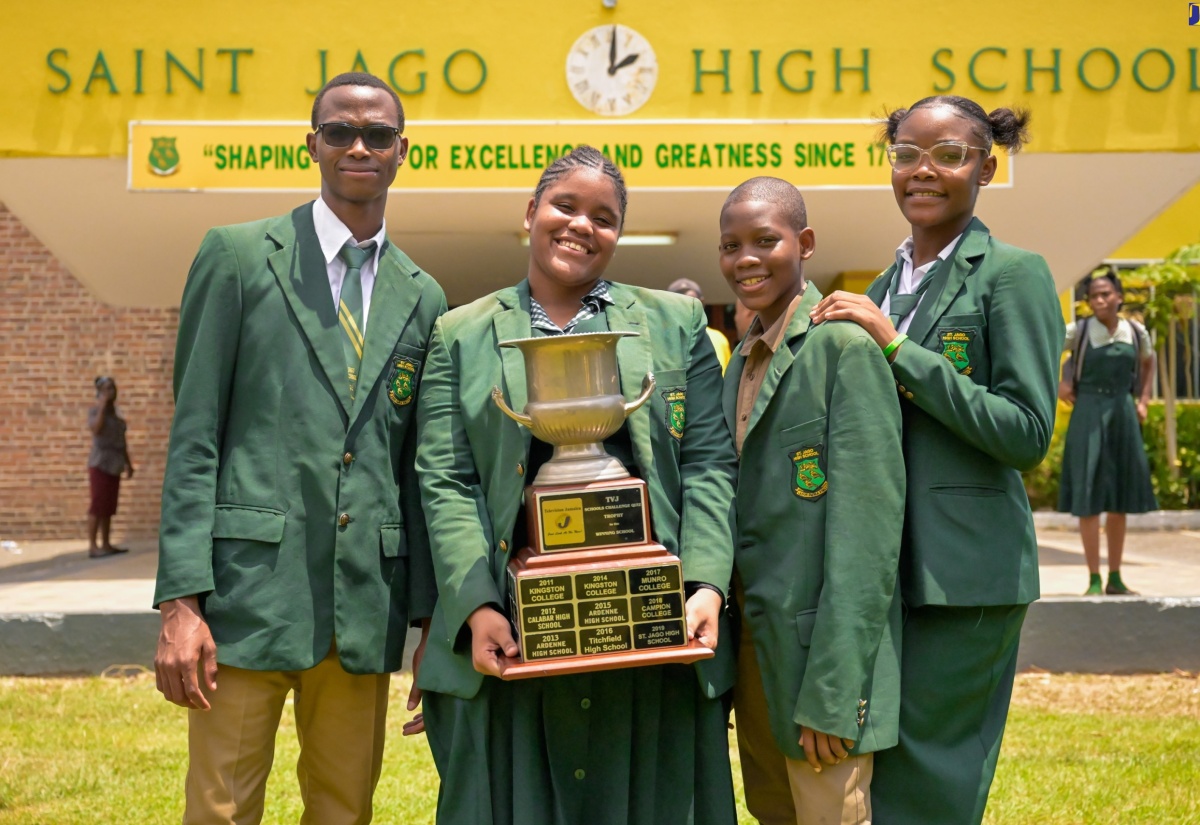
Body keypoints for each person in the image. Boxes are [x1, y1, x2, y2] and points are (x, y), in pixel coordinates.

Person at [153, 71, 445, 825]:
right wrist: (181, 603)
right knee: (220, 810)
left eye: (378, 135)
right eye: (340, 131)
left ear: (402, 151)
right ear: (309, 143)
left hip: (361, 608)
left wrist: (429, 622)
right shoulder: (239, 257)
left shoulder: (424, 294)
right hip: (245, 600)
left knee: (345, 809)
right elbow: (193, 438)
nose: (359, 146)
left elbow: (419, 471)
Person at [414, 146, 738, 825]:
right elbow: (445, 479)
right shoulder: (459, 335)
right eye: (565, 206)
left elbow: (710, 461)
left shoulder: (675, 326)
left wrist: (706, 581)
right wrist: (477, 607)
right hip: (513, 631)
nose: (581, 226)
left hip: (650, 631)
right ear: (531, 212)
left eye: (604, 217)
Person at [810, 95, 1063, 825]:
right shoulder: (889, 285)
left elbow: (1024, 430)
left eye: (948, 154)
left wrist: (896, 348)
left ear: (986, 165)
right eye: (906, 154)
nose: (923, 171)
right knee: (887, 766)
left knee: (934, 778)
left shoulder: (1011, 274)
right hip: (887, 567)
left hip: (966, 572)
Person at [719, 176, 904, 825]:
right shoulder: (741, 360)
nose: (745, 258)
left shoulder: (842, 348)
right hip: (755, 665)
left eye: (764, 240)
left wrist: (833, 691)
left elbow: (868, 538)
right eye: (731, 244)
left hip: (819, 672)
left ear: (805, 242)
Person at [1057, 271, 1156, 595]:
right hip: (1088, 410)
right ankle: (1094, 579)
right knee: (1088, 493)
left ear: (1119, 297)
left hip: (1122, 412)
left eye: (1105, 294)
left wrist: (1142, 400)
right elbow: (1045, 351)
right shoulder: (1079, 331)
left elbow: (1148, 362)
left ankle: (1115, 577)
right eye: (1093, 296)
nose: (1099, 300)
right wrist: (1060, 383)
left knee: (1120, 496)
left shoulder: (1136, 332)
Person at [87, 376, 134, 558]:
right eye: (106, 389)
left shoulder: (117, 415)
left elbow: (122, 441)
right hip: (100, 462)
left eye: (112, 389)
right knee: (97, 504)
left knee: (109, 506)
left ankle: (106, 543)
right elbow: (96, 429)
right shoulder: (95, 412)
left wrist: (128, 463)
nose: (110, 392)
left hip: (115, 463)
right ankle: (93, 546)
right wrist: (102, 405)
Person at [666, 277, 733, 371]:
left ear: (702, 302)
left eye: (690, 301)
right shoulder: (662, 340)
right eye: (678, 301)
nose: (684, 306)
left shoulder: (718, 338)